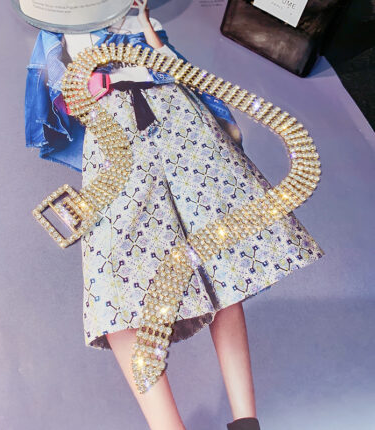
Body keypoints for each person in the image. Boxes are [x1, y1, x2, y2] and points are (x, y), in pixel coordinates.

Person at [25, 1, 325, 429]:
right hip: (114, 137)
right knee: (112, 286)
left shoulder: (141, 18)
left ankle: (246, 422)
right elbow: (59, 94)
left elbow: (174, 66)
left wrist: (146, 25)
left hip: (179, 118)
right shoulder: (54, 29)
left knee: (218, 264)